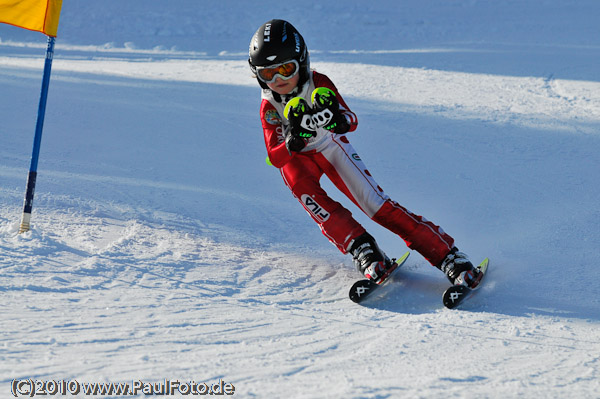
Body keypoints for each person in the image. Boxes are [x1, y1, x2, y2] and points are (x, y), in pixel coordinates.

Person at [248, 19, 482, 288]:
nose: (279, 80)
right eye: (268, 74)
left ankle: (449, 257)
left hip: (330, 147)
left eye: (286, 69)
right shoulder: (269, 105)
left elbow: (351, 119)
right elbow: (275, 157)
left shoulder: (319, 82)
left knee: (376, 206)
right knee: (315, 202)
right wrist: (291, 141)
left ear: (301, 62)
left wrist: (339, 121)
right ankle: (364, 250)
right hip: (298, 161)